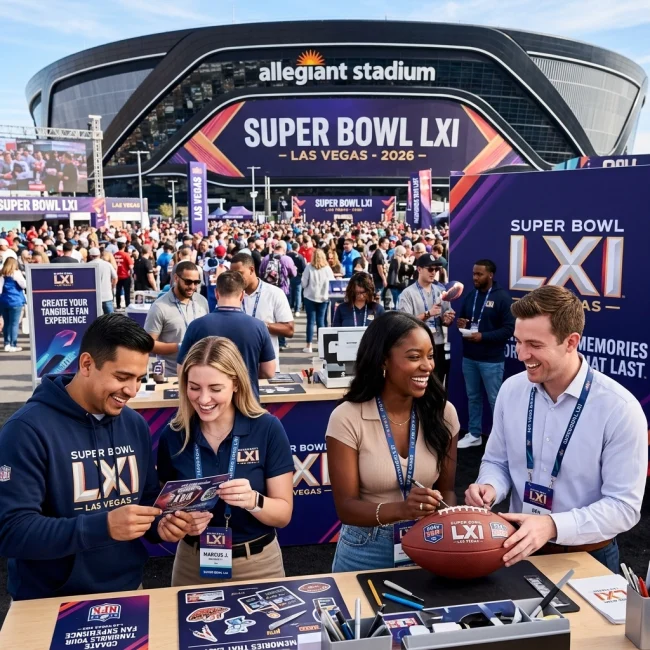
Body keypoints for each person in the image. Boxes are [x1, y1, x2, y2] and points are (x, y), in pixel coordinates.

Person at [0, 315, 194, 600]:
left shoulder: (135, 425)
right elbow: (12, 532)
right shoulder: (26, 430)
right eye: (122, 377)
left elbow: (146, 498)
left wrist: (161, 524)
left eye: (139, 379)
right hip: (47, 599)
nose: (132, 391)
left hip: (128, 587)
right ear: (87, 364)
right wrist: (103, 527)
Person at [465, 286, 647, 573]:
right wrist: (490, 487)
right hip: (517, 547)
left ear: (571, 342)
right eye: (518, 341)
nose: (522, 354)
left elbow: (623, 507)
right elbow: (497, 461)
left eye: (534, 345)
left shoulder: (619, 408)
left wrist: (552, 526)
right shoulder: (512, 390)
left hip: (587, 557)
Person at [326, 311, 459, 571]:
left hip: (429, 540)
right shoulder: (347, 417)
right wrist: (403, 510)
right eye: (414, 357)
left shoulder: (444, 413)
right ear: (383, 360)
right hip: (365, 549)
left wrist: (445, 523)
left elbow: (448, 492)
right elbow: (346, 508)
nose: (427, 366)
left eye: (430, 356)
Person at [158, 336, 294, 585]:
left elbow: (283, 515)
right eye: (194, 387)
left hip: (257, 564)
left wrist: (253, 500)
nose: (203, 399)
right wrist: (176, 524)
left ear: (236, 384)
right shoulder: (173, 434)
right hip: (192, 563)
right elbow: (162, 511)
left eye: (215, 389)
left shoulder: (267, 428)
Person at [177, 271, 276, 398]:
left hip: (208, 400)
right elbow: (268, 371)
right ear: (242, 295)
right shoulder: (259, 326)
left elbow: (181, 370)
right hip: (247, 400)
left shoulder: (196, 326)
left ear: (216, 293)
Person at [456, 259, 515, 449]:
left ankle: (502, 441)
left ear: (490, 275)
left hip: (491, 360)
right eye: (474, 273)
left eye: (479, 274)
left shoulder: (502, 298)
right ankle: (474, 434)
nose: (475, 277)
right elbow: (464, 319)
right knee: (473, 397)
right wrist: (461, 324)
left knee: (495, 400)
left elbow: (509, 329)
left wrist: (483, 336)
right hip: (469, 357)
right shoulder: (471, 295)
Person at [229, 252, 294, 371]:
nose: (235, 278)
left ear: (251, 270)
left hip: (265, 368)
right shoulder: (230, 294)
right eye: (232, 274)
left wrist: (260, 326)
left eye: (239, 273)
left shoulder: (274, 293)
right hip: (236, 368)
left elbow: (289, 329)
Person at [144, 261, 209, 377]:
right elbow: (148, 344)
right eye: (188, 282)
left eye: (196, 282)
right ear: (176, 278)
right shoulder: (159, 307)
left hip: (199, 374)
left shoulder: (202, 301)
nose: (192, 287)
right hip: (171, 375)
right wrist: (180, 346)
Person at [397, 254, 454, 384]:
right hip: (417, 345)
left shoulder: (441, 290)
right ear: (419, 269)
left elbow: (446, 319)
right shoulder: (408, 293)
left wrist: (447, 319)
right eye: (430, 269)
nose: (433, 272)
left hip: (437, 344)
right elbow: (404, 323)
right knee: (420, 384)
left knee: (438, 383)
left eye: (436, 269)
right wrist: (428, 314)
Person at [301, 248, 334, 354]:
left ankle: (309, 345)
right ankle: (322, 345)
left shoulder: (309, 267)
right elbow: (332, 282)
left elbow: (303, 283)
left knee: (310, 321)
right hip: (323, 297)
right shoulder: (327, 269)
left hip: (310, 296)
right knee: (321, 322)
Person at [0, 257, 26, 352]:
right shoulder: (16, 273)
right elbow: (24, 285)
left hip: (3, 301)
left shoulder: (1, 274)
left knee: (6, 323)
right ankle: (13, 345)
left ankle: (6, 344)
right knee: (14, 324)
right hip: (15, 300)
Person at [88, 247, 117, 315]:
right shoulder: (107, 264)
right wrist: (112, 287)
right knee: (110, 318)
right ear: (99, 255)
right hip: (107, 295)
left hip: (93, 296)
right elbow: (115, 278)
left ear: (90, 256)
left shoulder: (88, 265)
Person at [287, 241, 306, 316]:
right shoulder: (300, 256)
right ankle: (297, 309)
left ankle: (290, 306)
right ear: (298, 248)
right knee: (298, 293)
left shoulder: (287, 255)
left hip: (289, 276)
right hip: (298, 276)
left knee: (290, 292)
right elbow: (303, 267)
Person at [114, 240, 134, 309]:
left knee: (118, 291)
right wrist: (131, 274)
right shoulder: (126, 255)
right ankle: (127, 305)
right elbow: (131, 266)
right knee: (127, 292)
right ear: (124, 246)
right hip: (125, 276)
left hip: (117, 276)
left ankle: (118, 305)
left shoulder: (115, 255)